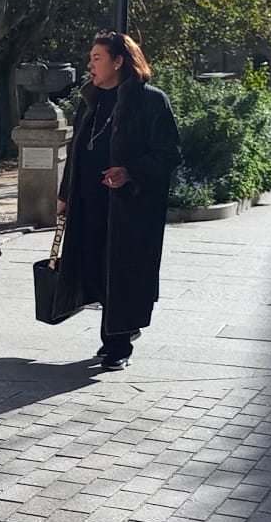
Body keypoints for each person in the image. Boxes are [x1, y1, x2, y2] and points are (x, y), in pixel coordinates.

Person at [54, 32, 181, 372]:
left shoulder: (151, 101)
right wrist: (65, 195)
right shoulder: (91, 100)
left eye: (97, 58)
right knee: (93, 267)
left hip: (130, 209)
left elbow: (169, 153)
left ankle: (118, 342)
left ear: (118, 61)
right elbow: (76, 152)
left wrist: (130, 172)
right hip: (88, 202)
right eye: (90, 58)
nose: (90, 65)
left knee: (121, 273)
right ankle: (120, 327)